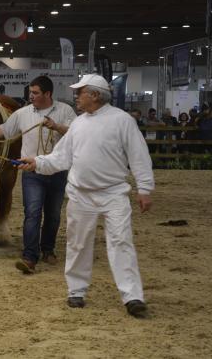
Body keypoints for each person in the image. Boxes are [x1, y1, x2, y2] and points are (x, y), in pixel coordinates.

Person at [16, 74, 154, 319]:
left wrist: (144, 188)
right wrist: (36, 162)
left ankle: (132, 296)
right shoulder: (79, 124)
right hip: (81, 194)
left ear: (96, 95)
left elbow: (139, 156)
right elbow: (61, 157)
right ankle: (76, 290)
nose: (76, 97)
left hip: (114, 194)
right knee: (78, 243)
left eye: (80, 92)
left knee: (121, 242)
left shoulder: (122, 121)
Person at [0, 76, 77, 274]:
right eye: (31, 92)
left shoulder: (65, 111)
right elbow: (3, 131)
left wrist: (57, 126)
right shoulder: (22, 114)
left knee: (53, 215)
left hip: (58, 171)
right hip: (32, 171)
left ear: (48, 94)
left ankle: (48, 249)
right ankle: (29, 257)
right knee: (33, 213)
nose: (31, 96)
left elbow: (77, 134)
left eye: (35, 93)